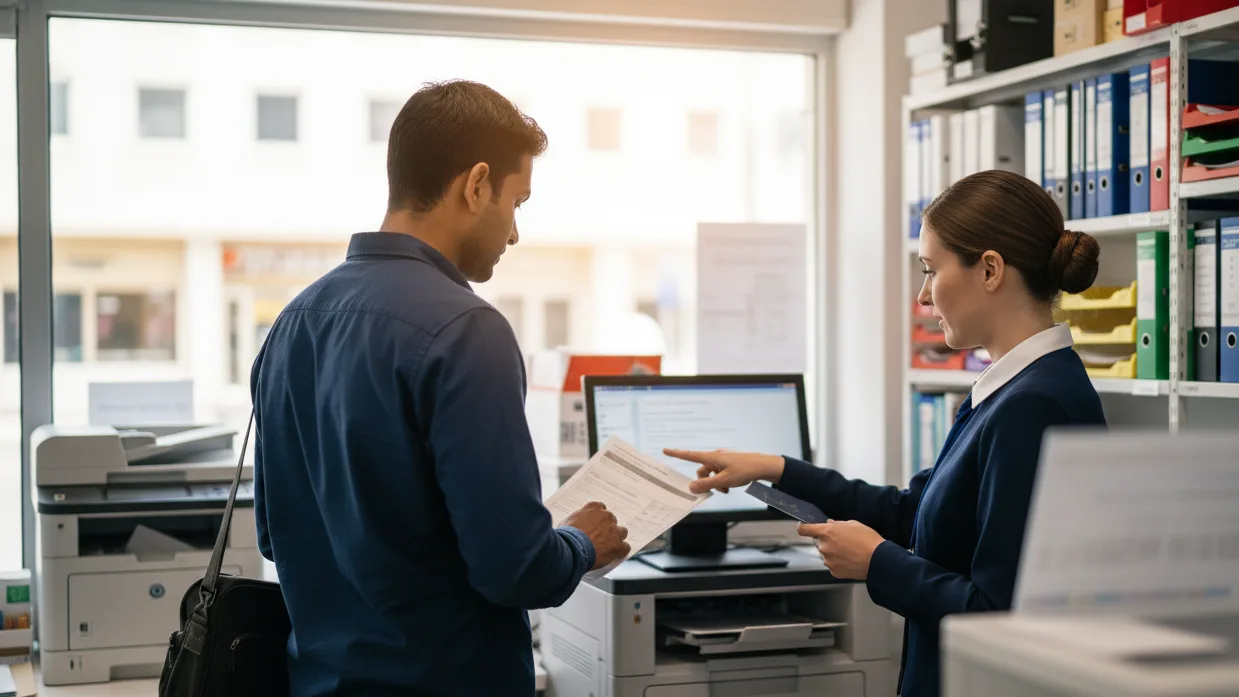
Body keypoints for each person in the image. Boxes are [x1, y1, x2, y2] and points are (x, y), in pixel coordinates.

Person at [250, 80, 631, 697]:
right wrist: (584, 542)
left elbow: (274, 533)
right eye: (517, 202)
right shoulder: (466, 329)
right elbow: (516, 571)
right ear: (476, 185)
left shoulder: (292, 323)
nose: (513, 234)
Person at [665, 170, 1107, 697]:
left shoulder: (1036, 404)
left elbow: (997, 615)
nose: (923, 295)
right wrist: (778, 470)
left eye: (930, 270)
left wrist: (877, 563)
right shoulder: (1011, 388)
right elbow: (912, 512)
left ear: (990, 270)